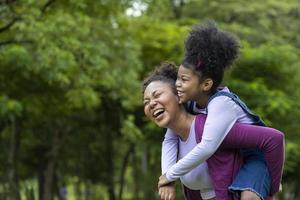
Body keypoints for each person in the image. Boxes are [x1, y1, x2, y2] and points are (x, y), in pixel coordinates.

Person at [159, 21, 279, 199]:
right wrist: (166, 177)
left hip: (253, 158)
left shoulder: (221, 103)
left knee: (248, 197)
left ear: (206, 84)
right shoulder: (192, 103)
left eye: (184, 80)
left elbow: (207, 147)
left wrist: (170, 175)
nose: (177, 84)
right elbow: (170, 138)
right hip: (233, 157)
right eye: (177, 78)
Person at [142, 62, 284, 200]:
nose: (152, 103)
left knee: (249, 196)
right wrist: (167, 180)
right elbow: (168, 141)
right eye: (146, 102)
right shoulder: (174, 136)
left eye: (157, 95)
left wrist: (274, 184)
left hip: (257, 159)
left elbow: (274, 138)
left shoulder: (213, 123)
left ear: (179, 96)